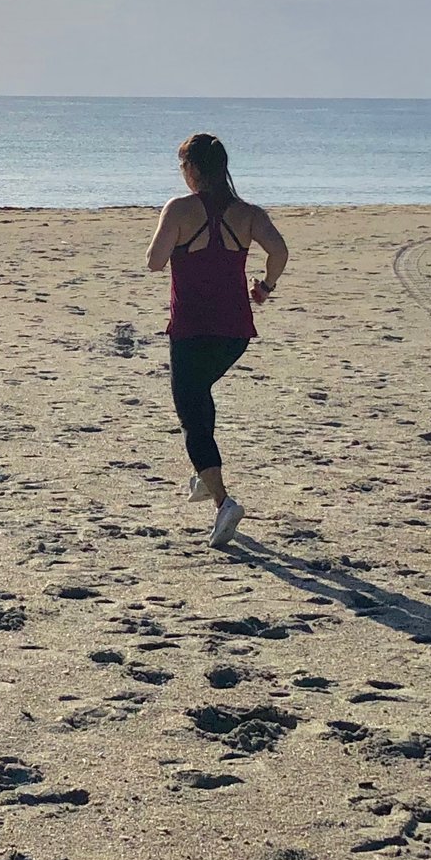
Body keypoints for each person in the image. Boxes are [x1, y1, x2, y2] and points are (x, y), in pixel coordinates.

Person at [145, 133, 289, 549]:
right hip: (235, 332)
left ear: (192, 170)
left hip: (192, 328)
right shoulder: (247, 213)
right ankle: (203, 477)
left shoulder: (179, 208)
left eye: (182, 167)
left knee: (191, 414)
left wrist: (174, 240)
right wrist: (265, 287)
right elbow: (278, 250)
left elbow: (154, 262)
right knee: (200, 394)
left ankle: (223, 501)